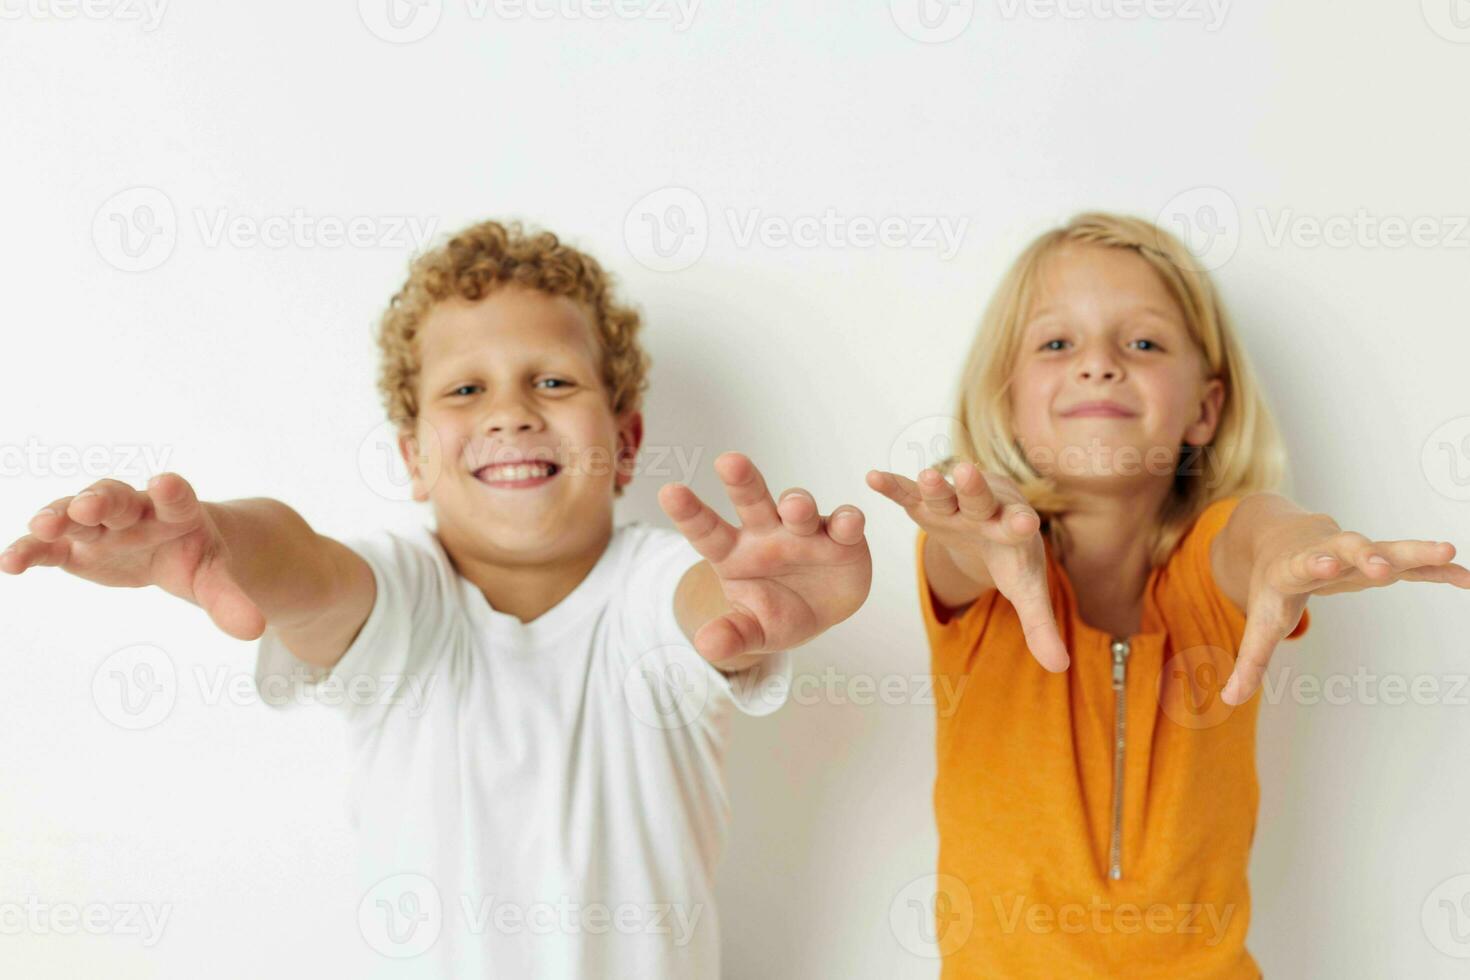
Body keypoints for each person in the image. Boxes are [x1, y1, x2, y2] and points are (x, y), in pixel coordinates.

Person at [2, 219, 873, 978]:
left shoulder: (649, 591)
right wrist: (220, 539)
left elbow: (705, 607)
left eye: (555, 382)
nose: (512, 412)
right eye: (466, 389)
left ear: (628, 438)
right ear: (415, 458)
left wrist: (753, 596)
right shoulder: (404, 600)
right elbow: (302, 558)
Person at [866, 211, 1469, 978]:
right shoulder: (981, 559)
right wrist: (977, 529)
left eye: (1143, 342)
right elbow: (964, 551)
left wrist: (1296, 552)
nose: (1099, 364)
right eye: (1057, 342)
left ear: (1205, 410)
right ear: (1009, 399)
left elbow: (1261, 531)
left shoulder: (1209, 566)